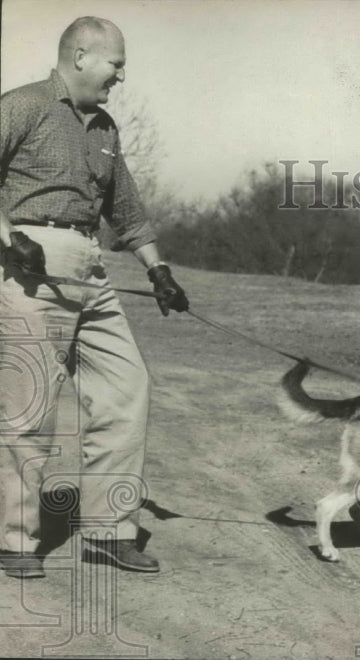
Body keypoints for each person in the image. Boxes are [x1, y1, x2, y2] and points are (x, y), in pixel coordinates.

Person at [0, 17, 188, 578]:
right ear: (81, 56)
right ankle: (15, 539)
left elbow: (125, 211)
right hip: (29, 261)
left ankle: (109, 530)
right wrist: (8, 241)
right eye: (116, 64)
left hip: (90, 265)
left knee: (127, 388)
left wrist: (160, 271)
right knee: (30, 403)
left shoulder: (105, 128)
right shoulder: (24, 104)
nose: (121, 77)